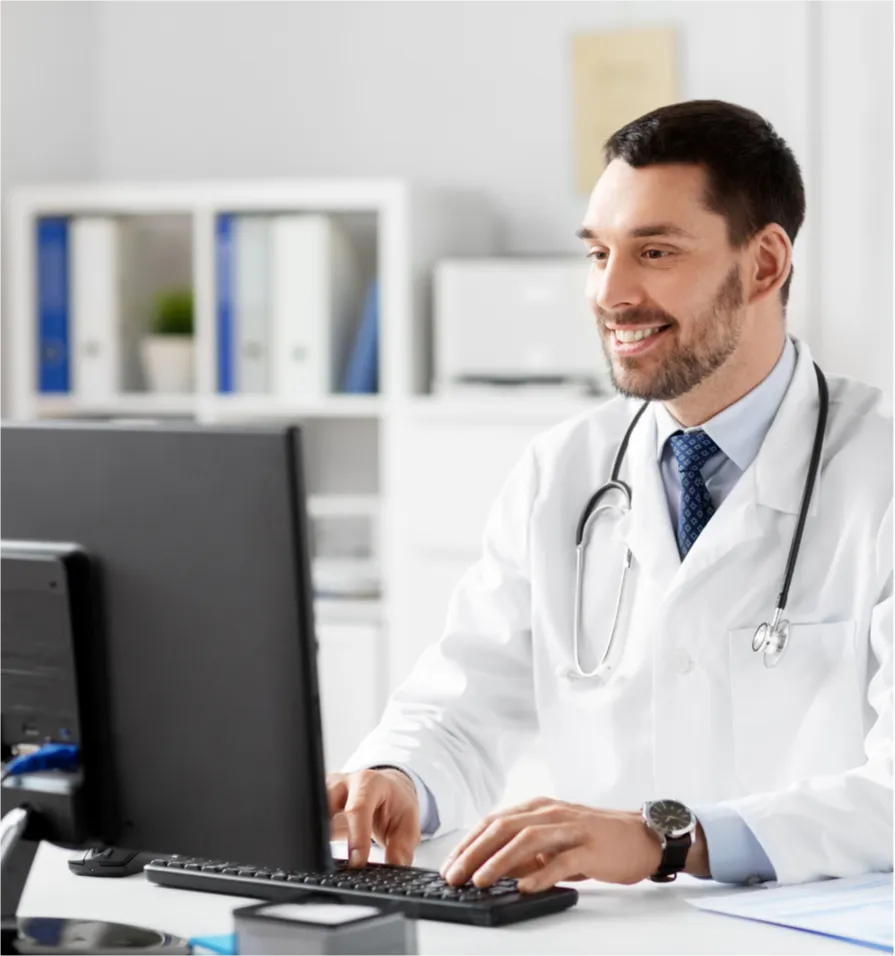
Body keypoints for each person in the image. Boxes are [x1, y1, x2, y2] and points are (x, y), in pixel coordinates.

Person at [328, 100, 893, 891]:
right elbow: (463, 701)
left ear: (764, 264)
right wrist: (398, 777)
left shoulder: (879, 475)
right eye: (598, 254)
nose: (610, 292)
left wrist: (670, 839)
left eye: (654, 252)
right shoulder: (562, 471)